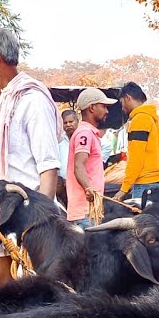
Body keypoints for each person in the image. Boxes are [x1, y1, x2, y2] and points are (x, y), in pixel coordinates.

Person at [0, 26, 60, 288]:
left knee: (27, 294)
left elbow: (48, 166)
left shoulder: (32, 99)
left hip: (26, 219)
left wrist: (42, 227)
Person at [67, 89, 112, 227]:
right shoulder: (85, 134)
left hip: (89, 211)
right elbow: (79, 166)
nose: (107, 111)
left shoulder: (88, 133)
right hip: (85, 212)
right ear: (92, 107)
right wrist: (89, 189)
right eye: (103, 106)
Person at [117, 81, 159, 202]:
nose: (122, 108)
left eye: (122, 103)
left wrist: (124, 189)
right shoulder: (150, 117)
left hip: (144, 183)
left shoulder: (140, 119)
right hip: (153, 181)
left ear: (127, 98)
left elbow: (136, 157)